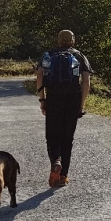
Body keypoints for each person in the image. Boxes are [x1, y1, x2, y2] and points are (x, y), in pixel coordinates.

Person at [35, 30, 92, 187]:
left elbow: (40, 76)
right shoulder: (79, 56)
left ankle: (56, 160)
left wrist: (42, 99)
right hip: (73, 99)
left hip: (54, 98)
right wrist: (80, 104)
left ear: (58, 40)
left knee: (52, 136)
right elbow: (86, 81)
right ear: (72, 41)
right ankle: (63, 176)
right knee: (67, 138)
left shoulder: (48, 55)